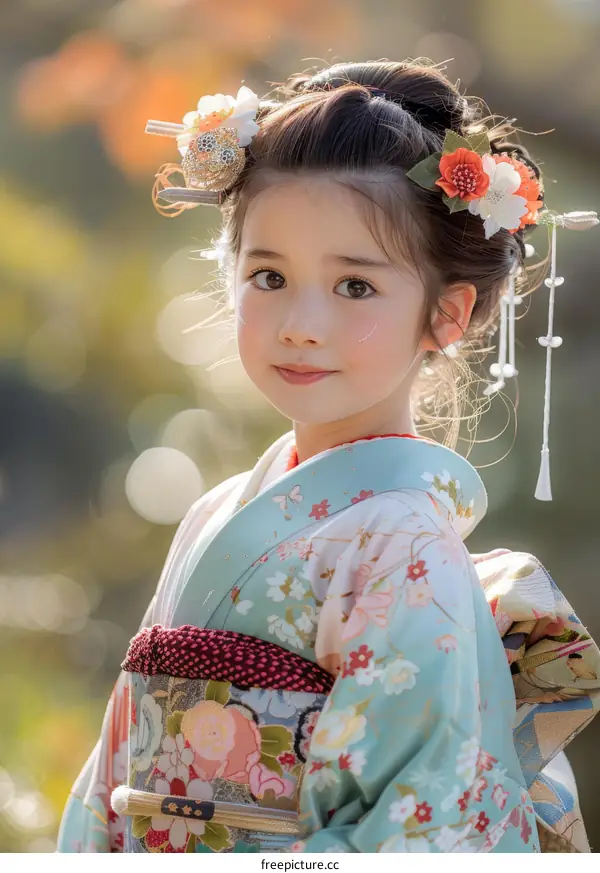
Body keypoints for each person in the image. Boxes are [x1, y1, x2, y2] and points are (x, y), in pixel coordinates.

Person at [57, 60, 600, 854]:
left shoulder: (404, 546)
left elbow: (423, 834)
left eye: (354, 287)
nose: (300, 323)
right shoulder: (218, 507)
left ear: (446, 314)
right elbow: (112, 775)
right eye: (269, 275)